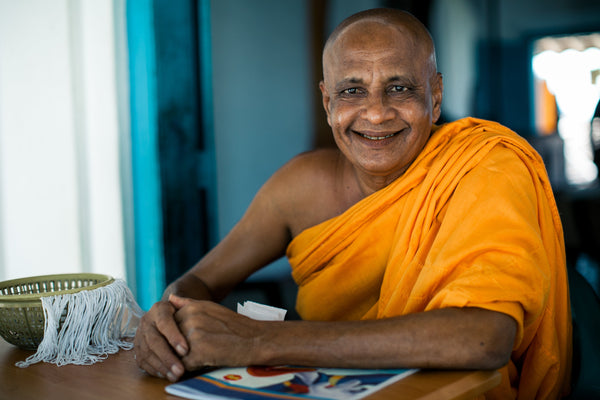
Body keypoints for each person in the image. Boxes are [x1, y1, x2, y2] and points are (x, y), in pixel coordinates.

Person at [134, 8, 572, 399]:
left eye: (399, 88)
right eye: (352, 92)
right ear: (327, 103)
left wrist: (260, 341)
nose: (376, 113)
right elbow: (195, 284)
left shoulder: (484, 167)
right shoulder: (300, 186)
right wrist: (167, 322)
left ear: (434, 97)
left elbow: (484, 337)